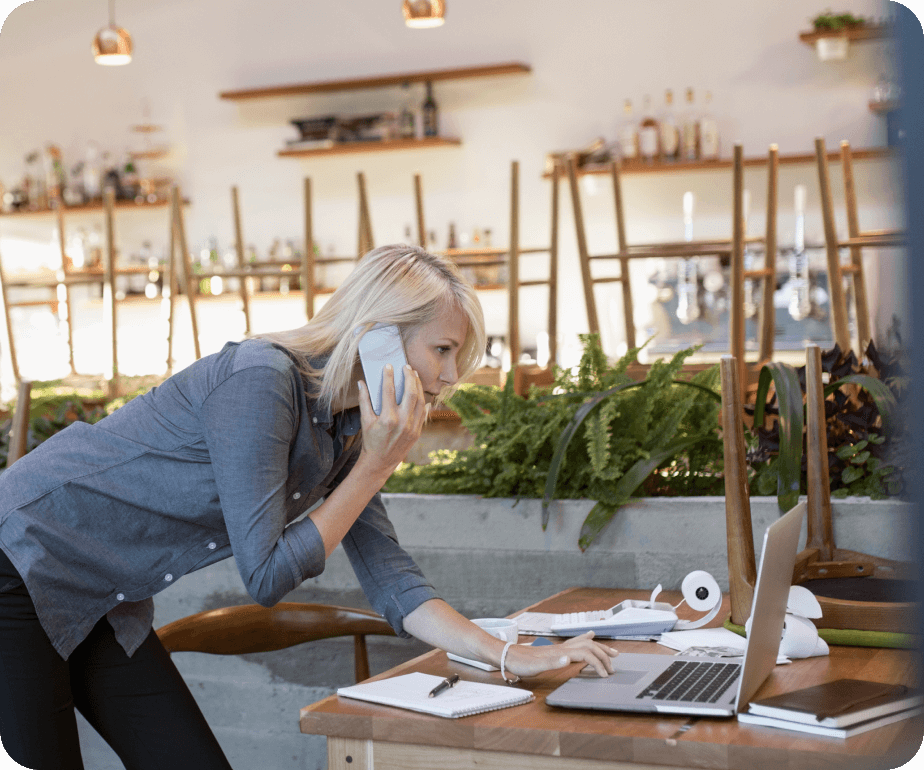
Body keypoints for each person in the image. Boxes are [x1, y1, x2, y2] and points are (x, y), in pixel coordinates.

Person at [0, 245, 617, 769]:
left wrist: (511, 654)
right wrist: (377, 464)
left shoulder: (347, 430)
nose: (448, 377)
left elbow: (393, 582)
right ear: (378, 332)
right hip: (20, 557)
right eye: (443, 350)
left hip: (101, 591)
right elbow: (265, 575)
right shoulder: (260, 381)